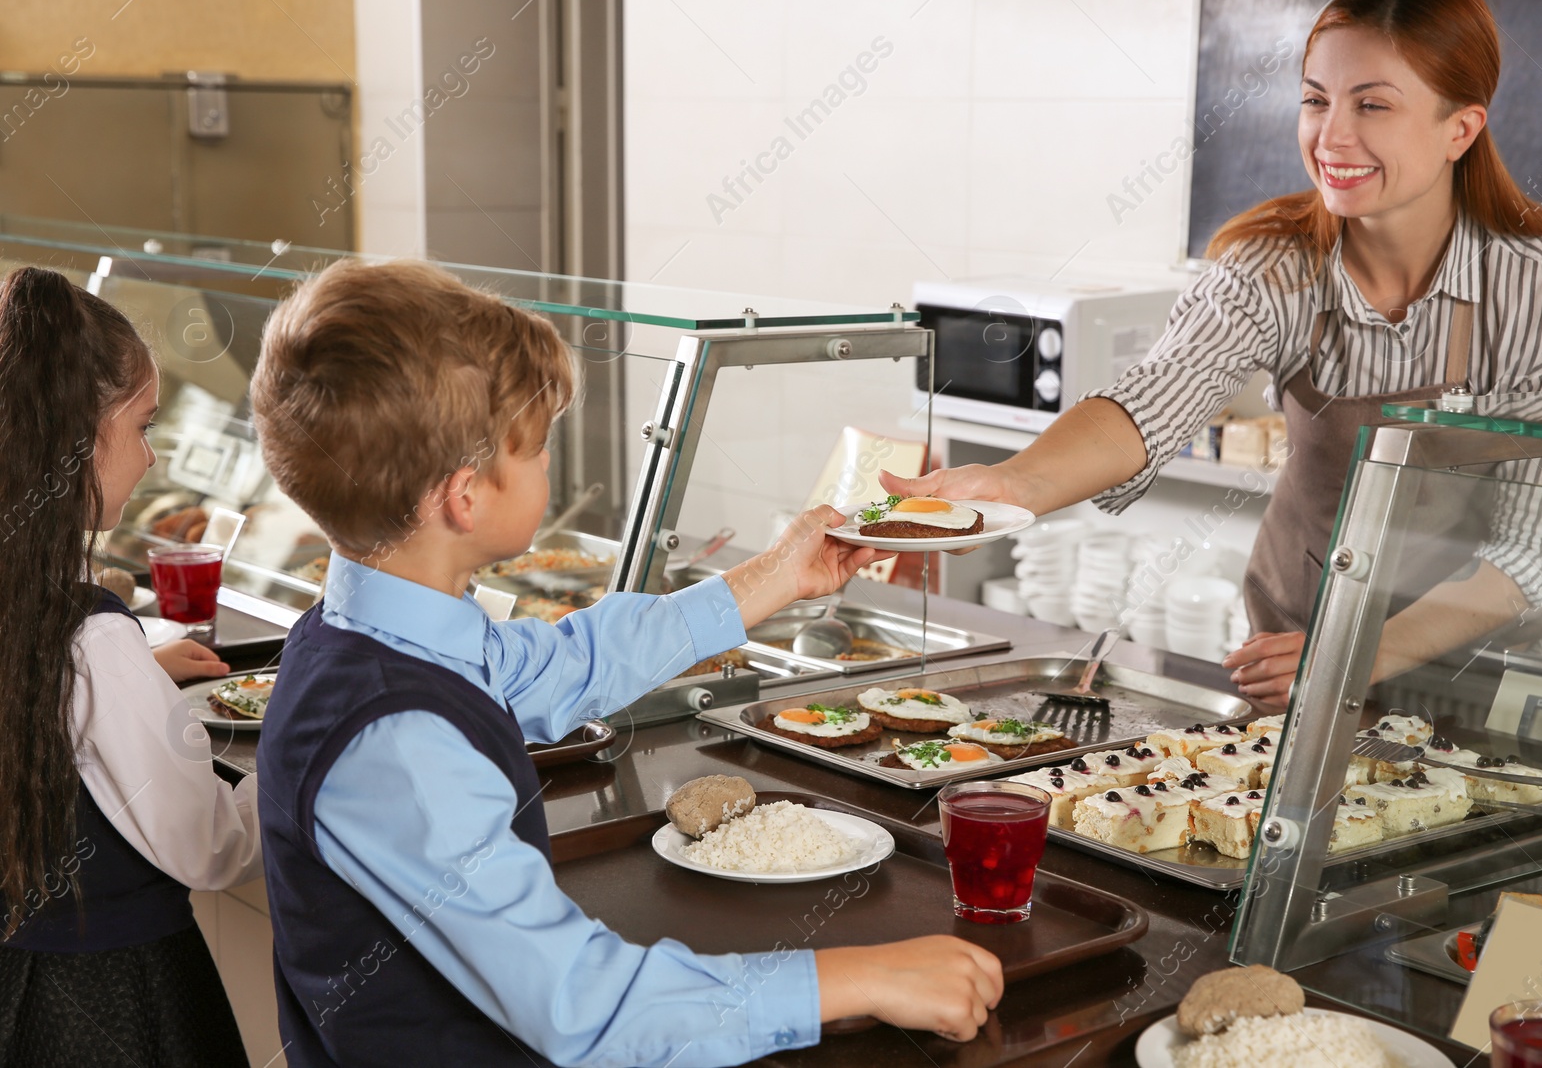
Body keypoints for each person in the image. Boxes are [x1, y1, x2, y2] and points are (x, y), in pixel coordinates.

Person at [249, 258, 1003, 1067]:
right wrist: (862, 976)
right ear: (465, 497)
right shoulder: (395, 744)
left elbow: (567, 663)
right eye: (537, 450)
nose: (547, 466)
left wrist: (778, 572)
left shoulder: (369, 631)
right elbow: (581, 1003)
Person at [888, 0, 1542, 707]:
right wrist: (1015, 486)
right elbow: (1154, 398)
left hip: (1491, 680)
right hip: (1304, 656)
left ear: (1461, 128)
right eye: (1316, 100)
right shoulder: (1273, 266)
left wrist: (1351, 652)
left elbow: (1531, 549)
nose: (1331, 138)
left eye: (1373, 105)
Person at [0, 267, 263, 1067]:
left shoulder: (50, 622)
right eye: (144, 426)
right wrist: (291, 748)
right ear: (79, 434)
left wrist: (135, 675)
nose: (150, 457)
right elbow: (210, 848)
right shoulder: (91, 640)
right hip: (112, 999)